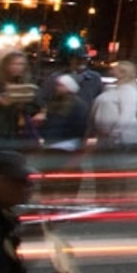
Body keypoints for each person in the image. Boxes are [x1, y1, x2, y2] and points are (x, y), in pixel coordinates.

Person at [92, 62, 137, 201]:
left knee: (114, 167)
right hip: (104, 135)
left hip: (118, 137)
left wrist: (115, 132)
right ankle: (103, 196)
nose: (112, 71)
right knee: (102, 167)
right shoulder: (112, 88)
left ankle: (114, 197)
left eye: (116, 70)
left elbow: (127, 114)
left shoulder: (129, 91)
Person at [37, 72, 93, 201]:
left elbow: (81, 128)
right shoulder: (56, 103)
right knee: (52, 179)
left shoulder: (77, 106)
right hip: (55, 145)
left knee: (61, 179)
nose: (57, 88)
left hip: (67, 146)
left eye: (61, 85)